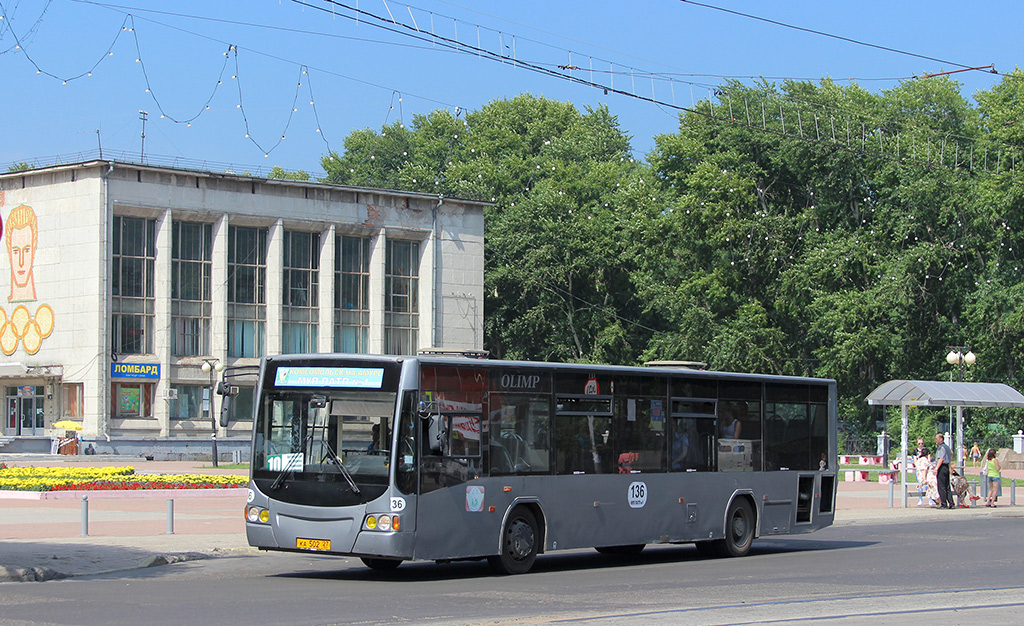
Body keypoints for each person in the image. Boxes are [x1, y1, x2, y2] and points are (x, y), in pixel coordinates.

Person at [933, 433, 955, 509]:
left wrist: (936, 468)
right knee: (947, 486)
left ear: (941, 439)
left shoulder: (941, 448)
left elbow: (941, 459)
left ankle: (943, 503)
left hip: (942, 467)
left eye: (937, 439)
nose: (935, 440)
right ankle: (951, 503)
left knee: (941, 486)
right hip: (946, 467)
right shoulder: (947, 447)